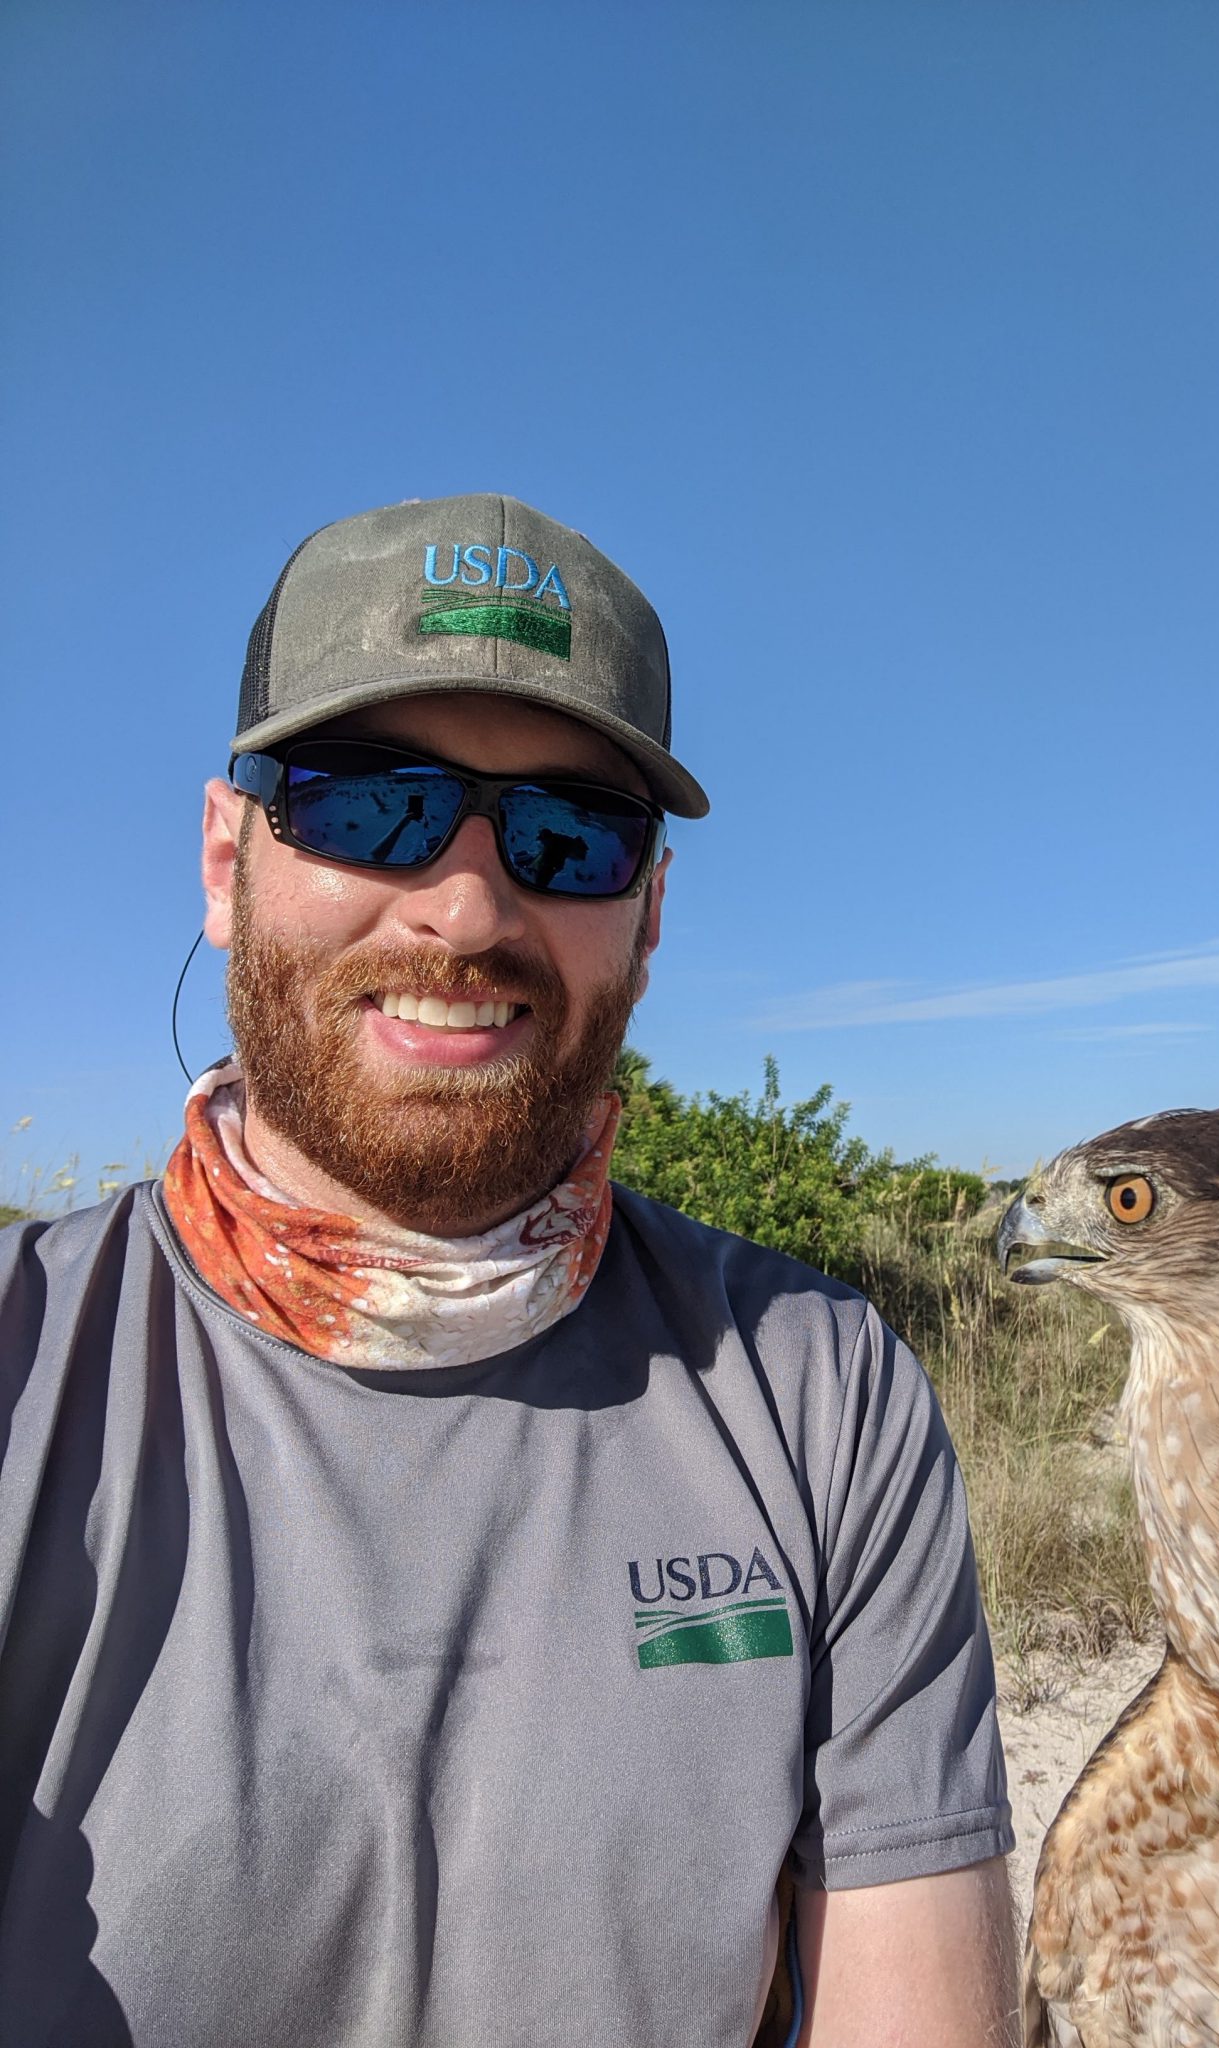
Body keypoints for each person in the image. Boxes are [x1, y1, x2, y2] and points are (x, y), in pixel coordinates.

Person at [0, 493, 1019, 2047]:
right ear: (227, 860)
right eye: (363, 804)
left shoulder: (826, 1398)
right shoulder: (21, 1374)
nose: (468, 907)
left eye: (569, 833)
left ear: (649, 913)